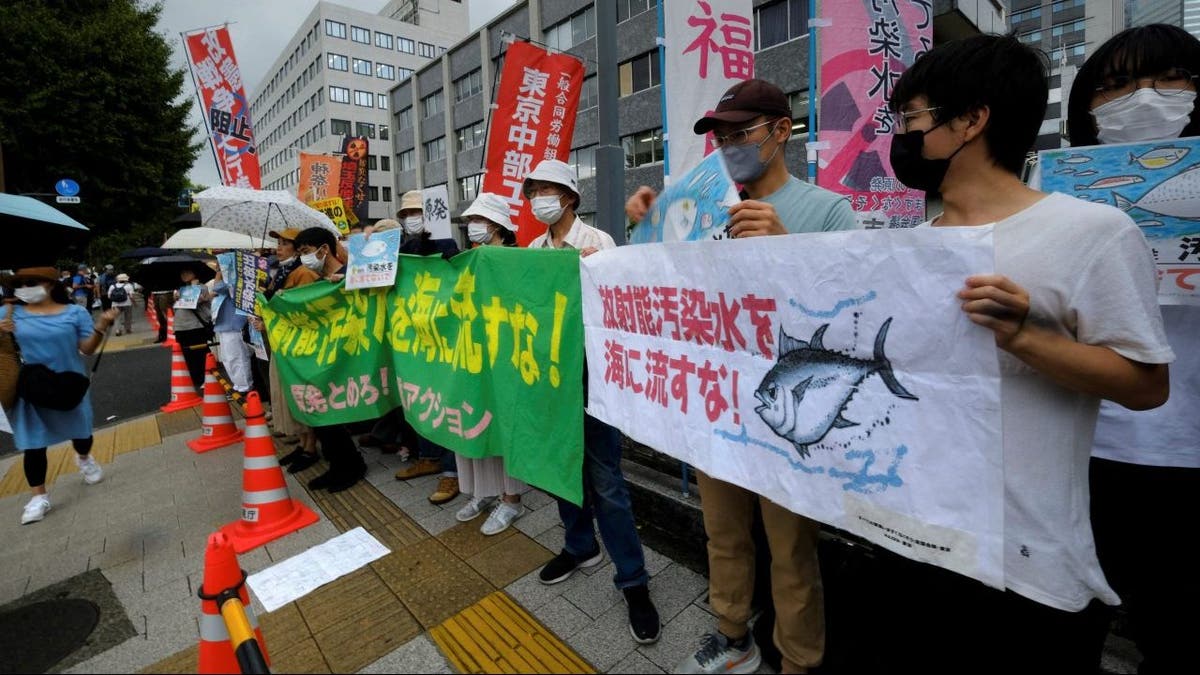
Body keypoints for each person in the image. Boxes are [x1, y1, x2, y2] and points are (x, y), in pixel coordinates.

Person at [865, 34, 1172, 674]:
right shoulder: (913, 245)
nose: (902, 136)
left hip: (1026, 564)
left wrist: (1027, 337)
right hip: (916, 539)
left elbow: (1146, 385)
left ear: (972, 119)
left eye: (912, 120)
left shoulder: (1091, 233)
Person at [626, 79, 854, 675]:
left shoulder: (826, 210)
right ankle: (733, 634)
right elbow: (662, 293)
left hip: (788, 412)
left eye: (742, 133)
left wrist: (787, 247)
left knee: (790, 546)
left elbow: (848, 307)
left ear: (782, 132)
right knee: (723, 531)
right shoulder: (700, 212)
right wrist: (649, 230)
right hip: (720, 403)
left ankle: (799, 659)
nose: (729, 146)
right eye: (721, 137)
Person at [1063, 24, 1200, 675]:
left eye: (1169, 79)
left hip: (1187, 453)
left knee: (1175, 629)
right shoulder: (1064, 201)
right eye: (1114, 87)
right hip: (1085, 447)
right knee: (1071, 614)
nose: (1143, 99)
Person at [522, 158, 662, 645]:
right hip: (550, 381)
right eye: (532, 190)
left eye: (544, 189)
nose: (536, 198)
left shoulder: (597, 243)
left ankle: (634, 581)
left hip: (595, 381)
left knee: (606, 482)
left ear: (568, 198)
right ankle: (579, 546)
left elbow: (619, 304)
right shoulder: (533, 249)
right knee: (562, 468)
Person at [0, 267, 119, 524]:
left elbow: (86, 349)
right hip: (30, 388)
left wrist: (100, 325)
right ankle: (38, 497)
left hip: (68, 384)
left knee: (82, 434)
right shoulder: (9, 313)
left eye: (32, 282)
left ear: (51, 284)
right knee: (33, 444)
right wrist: (1, 330)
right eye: (22, 284)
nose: (25, 288)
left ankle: (84, 458)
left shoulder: (75, 313)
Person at [449, 192, 528, 534]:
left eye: (476, 221)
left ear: (497, 225)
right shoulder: (468, 259)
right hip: (469, 357)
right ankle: (483, 492)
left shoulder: (515, 259)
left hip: (502, 358)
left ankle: (511, 500)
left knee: (499, 426)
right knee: (470, 420)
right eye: (469, 223)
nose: (471, 228)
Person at [392, 190, 463, 505]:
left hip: (444, 336)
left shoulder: (447, 245)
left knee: (445, 400)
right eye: (406, 214)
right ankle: (429, 456)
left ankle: (452, 472)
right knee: (418, 396)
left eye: (416, 212)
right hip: (412, 338)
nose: (411, 218)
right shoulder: (401, 249)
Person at [284, 226, 367, 492]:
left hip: (347, 354)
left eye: (307, 252)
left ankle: (350, 466)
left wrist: (344, 284)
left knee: (330, 413)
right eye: (301, 253)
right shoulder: (321, 278)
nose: (304, 258)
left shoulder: (348, 274)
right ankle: (339, 464)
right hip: (325, 354)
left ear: (324, 249)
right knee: (322, 412)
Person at [210, 266, 253, 396]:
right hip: (225, 324)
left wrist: (219, 273)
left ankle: (244, 387)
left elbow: (218, 287)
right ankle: (238, 385)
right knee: (228, 358)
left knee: (237, 357)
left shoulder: (238, 277)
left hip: (234, 324)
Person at [172, 267, 213, 391]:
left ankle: (206, 378)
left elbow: (196, 300)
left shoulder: (202, 287)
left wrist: (189, 290)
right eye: (182, 272)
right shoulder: (179, 289)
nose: (184, 274)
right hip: (180, 326)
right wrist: (176, 296)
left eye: (187, 271)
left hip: (196, 325)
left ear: (195, 273)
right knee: (186, 354)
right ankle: (194, 378)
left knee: (200, 353)